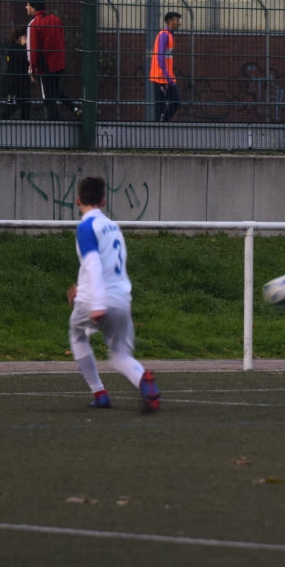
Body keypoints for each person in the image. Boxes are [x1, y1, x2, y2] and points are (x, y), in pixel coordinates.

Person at [68, 175, 160, 412]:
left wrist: (96, 302)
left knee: (77, 334)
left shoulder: (86, 227)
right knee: (119, 353)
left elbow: (94, 264)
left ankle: (99, 393)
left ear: (78, 201)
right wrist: (83, 285)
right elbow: (106, 264)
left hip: (96, 299)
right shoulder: (113, 226)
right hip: (121, 298)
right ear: (104, 201)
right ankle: (144, 381)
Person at [26, 0, 82, 121]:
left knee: (48, 95)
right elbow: (62, 40)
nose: (26, 7)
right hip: (58, 63)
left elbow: (32, 50)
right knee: (54, 89)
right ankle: (74, 109)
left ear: (34, 7)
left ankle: (54, 121)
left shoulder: (33, 24)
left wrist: (32, 69)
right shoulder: (56, 20)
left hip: (45, 64)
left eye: (28, 5)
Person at [149, 11, 182, 122]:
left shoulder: (169, 36)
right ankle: (159, 127)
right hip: (161, 77)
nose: (178, 23)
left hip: (167, 77)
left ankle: (164, 122)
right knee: (160, 106)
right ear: (170, 22)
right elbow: (160, 56)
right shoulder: (164, 35)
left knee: (175, 102)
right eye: (176, 21)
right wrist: (167, 76)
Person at [0, 27, 31, 120]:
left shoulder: (13, 48)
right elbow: (25, 61)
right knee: (12, 105)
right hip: (15, 85)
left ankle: (2, 118)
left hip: (15, 85)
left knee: (23, 104)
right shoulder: (18, 50)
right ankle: (0, 119)